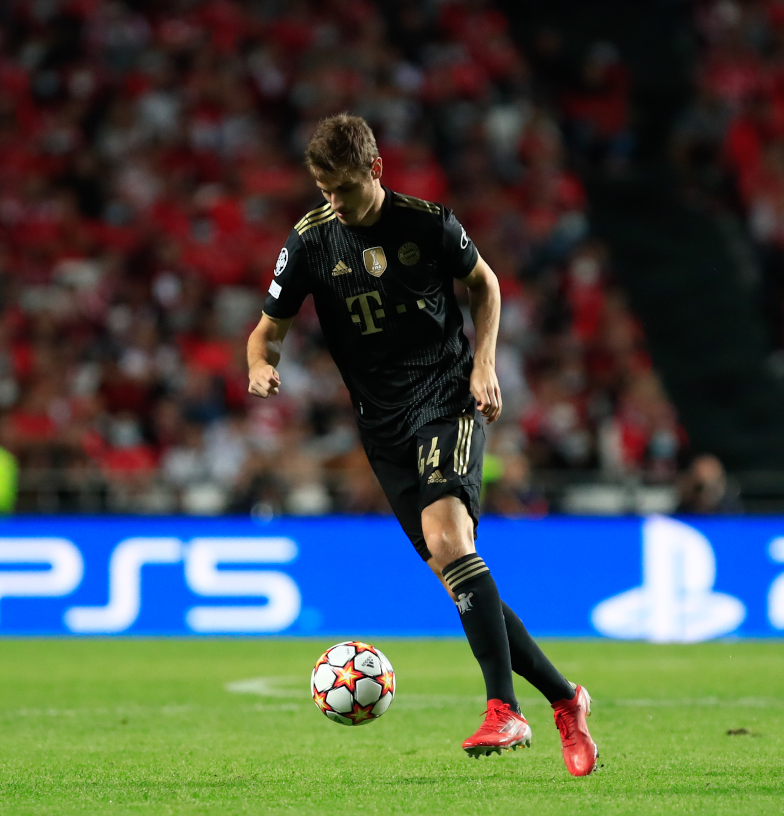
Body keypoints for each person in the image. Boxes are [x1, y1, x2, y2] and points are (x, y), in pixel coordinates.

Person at [246, 114, 597, 776]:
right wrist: (261, 364)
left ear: (374, 171)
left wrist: (484, 365)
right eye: (324, 189)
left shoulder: (427, 223)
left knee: (449, 543)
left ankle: (505, 708)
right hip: (381, 427)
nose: (335, 202)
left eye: (344, 189)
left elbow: (485, 284)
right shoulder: (310, 241)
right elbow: (266, 329)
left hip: (446, 400)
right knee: (454, 569)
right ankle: (565, 699)